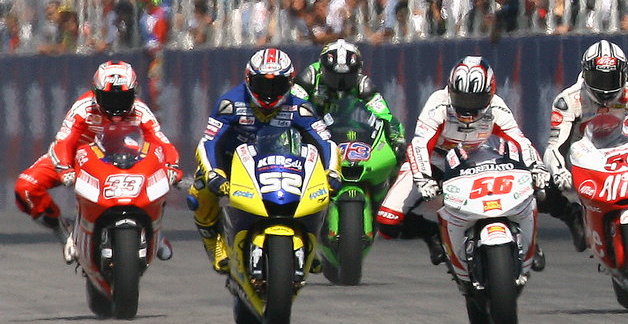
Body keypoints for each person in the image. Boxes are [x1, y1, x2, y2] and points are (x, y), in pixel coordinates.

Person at [376, 56, 546, 267]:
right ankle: (432, 234)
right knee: (387, 222)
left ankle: (526, 239)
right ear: (450, 91)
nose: (468, 109)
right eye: (461, 99)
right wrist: (423, 179)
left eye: (475, 101)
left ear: (489, 94)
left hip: (478, 157)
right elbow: (419, 144)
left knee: (530, 190)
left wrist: (536, 167)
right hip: (436, 161)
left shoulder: (497, 107)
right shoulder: (438, 103)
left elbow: (519, 140)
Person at [190, 48, 341, 274]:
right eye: (262, 84)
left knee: (325, 190)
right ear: (249, 79)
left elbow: (325, 142)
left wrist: (332, 172)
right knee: (200, 190)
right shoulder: (230, 103)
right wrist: (214, 173)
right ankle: (215, 244)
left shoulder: (300, 106)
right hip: (233, 164)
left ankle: (310, 242)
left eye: (277, 85)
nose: (269, 93)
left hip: (282, 162)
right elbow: (209, 141)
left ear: (290, 83)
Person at [14, 60, 182, 262]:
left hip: (124, 155)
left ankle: (155, 229)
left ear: (134, 93)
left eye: (123, 98)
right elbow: (64, 141)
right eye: (109, 98)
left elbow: (160, 141)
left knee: (158, 169)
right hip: (77, 157)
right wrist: (65, 168)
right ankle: (63, 229)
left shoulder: (140, 110)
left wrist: (171, 166)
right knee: (26, 187)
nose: (116, 105)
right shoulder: (83, 107)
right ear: (96, 93)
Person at [545, 40, 628, 249]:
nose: (605, 87)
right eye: (598, 78)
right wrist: (559, 171)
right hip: (586, 155)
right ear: (586, 73)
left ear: (624, 74)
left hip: (624, 146)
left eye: (612, 79)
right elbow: (556, 145)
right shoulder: (568, 101)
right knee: (544, 187)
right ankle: (572, 216)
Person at [292, 38, 406, 163]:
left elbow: (386, 116)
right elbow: (293, 108)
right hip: (311, 128)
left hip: (345, 130)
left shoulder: (363, 85)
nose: (340, 83)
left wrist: (397, 140)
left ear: (358, 72)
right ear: (322, 69)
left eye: (347, 77)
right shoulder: (309, 78)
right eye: (333, 76)